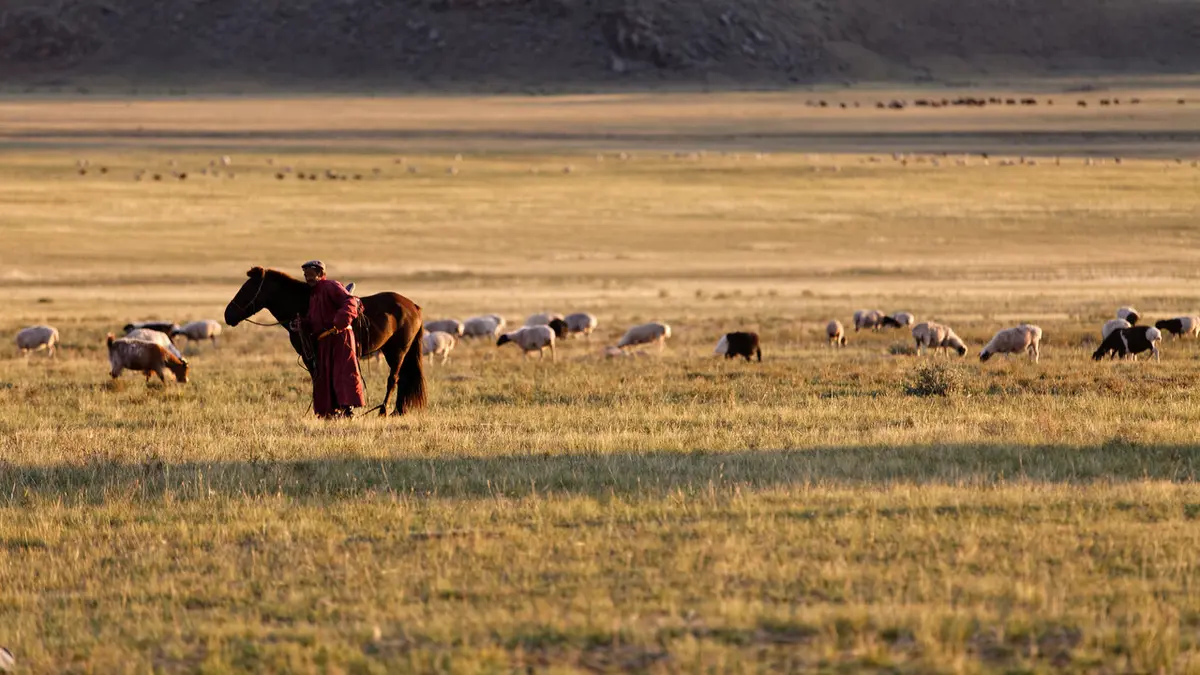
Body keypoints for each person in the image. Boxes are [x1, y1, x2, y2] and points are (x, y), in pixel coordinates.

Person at [291, 260, 365, 418]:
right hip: (324, 340)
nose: (307, 278)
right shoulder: (314, 294)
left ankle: (347, 410)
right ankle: (331, 411)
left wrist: (339, 321)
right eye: (305, 275)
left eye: (310, 275)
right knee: (325, 376)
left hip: (340, 337)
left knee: (343, 373)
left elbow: (351, 301)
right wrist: (302, 324)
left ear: (319, 274)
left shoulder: (331, 286)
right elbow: (315, 318)